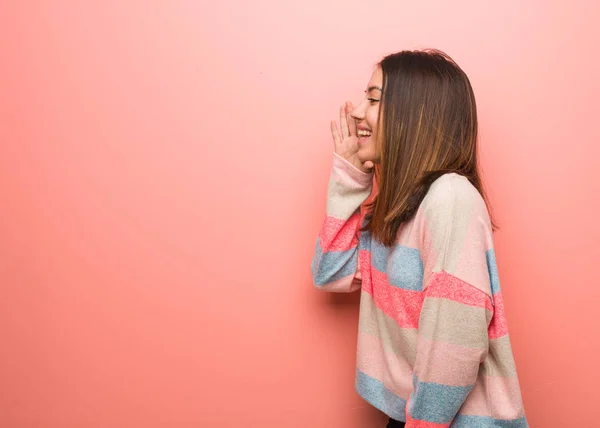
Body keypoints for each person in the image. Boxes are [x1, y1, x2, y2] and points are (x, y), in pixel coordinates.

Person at [310, 49, 528, 428]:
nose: (359, 111)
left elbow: (454, 346)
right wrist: (350, 177)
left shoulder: (450, 199)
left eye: (374, 98)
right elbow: (331, 272)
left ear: (414, 115)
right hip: (419, 416)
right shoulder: (400, 208)